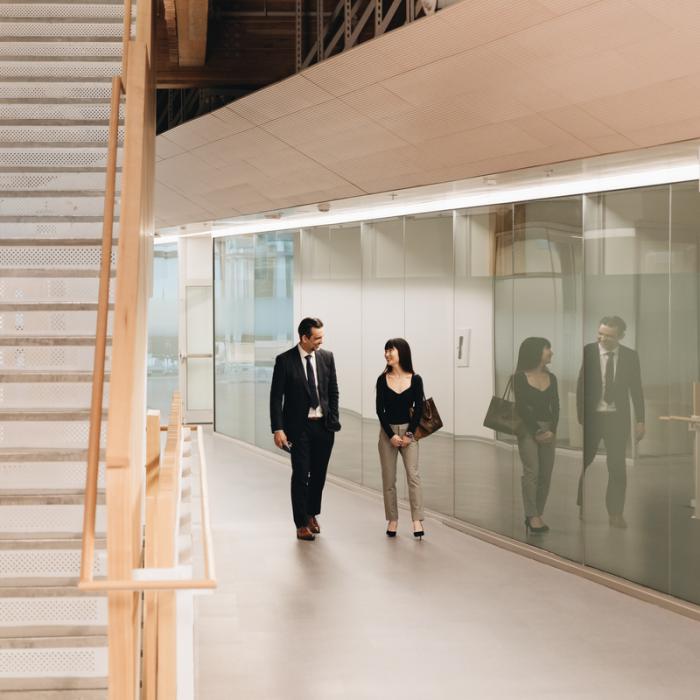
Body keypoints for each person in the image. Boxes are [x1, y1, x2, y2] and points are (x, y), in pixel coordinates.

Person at [270, 317, 341, 541]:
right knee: (301, 474)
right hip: (298, 429)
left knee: (319, 475)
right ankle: (301, 523)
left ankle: (311, 514)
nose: (321, 341)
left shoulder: (327, 358)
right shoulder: (284, 361)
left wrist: (333, 419)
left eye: (322, 337)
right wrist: (278, 429)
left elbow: (333, 392)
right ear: (304, 338)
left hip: (323, 427)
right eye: (316, 338)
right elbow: (275, 398)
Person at [576, 316, 645, 529]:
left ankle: (615, 513)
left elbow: (636, 390)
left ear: (621, 336)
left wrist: (641, 420)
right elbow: (581, 385)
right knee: (585, 462)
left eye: (609, 335)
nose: (603, 338)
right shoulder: (589, 351)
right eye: (601, 334)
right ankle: (582, 503)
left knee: (616, 467)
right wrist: (582, 416)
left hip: (617, 419)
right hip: (594, 418)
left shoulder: (630, 357)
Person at [375, 338, 425, 539]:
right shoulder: (382, 379)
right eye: (385, 350)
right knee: (389, 478)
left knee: (413, 476)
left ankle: (417, 520)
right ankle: (392, 519)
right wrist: (391, 435)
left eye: (391, 350)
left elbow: (419, 408)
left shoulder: (416, 379)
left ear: (402, 353)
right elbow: (380, 410)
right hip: (388, 433)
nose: (387, 354)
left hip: (409, 433)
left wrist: (409, 435)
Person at [513, 337, 559, 535]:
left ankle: (536, 512)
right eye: (547, 348)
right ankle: (532, 516)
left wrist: (552, 431)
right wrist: (537, 431)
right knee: (532, 471)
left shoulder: (553, 377)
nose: (551, 352)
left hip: (549, 429)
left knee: (546, 474)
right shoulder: (519, 377)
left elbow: (555, 407)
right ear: (536, 352)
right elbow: (522, 407)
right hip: (527, 429)